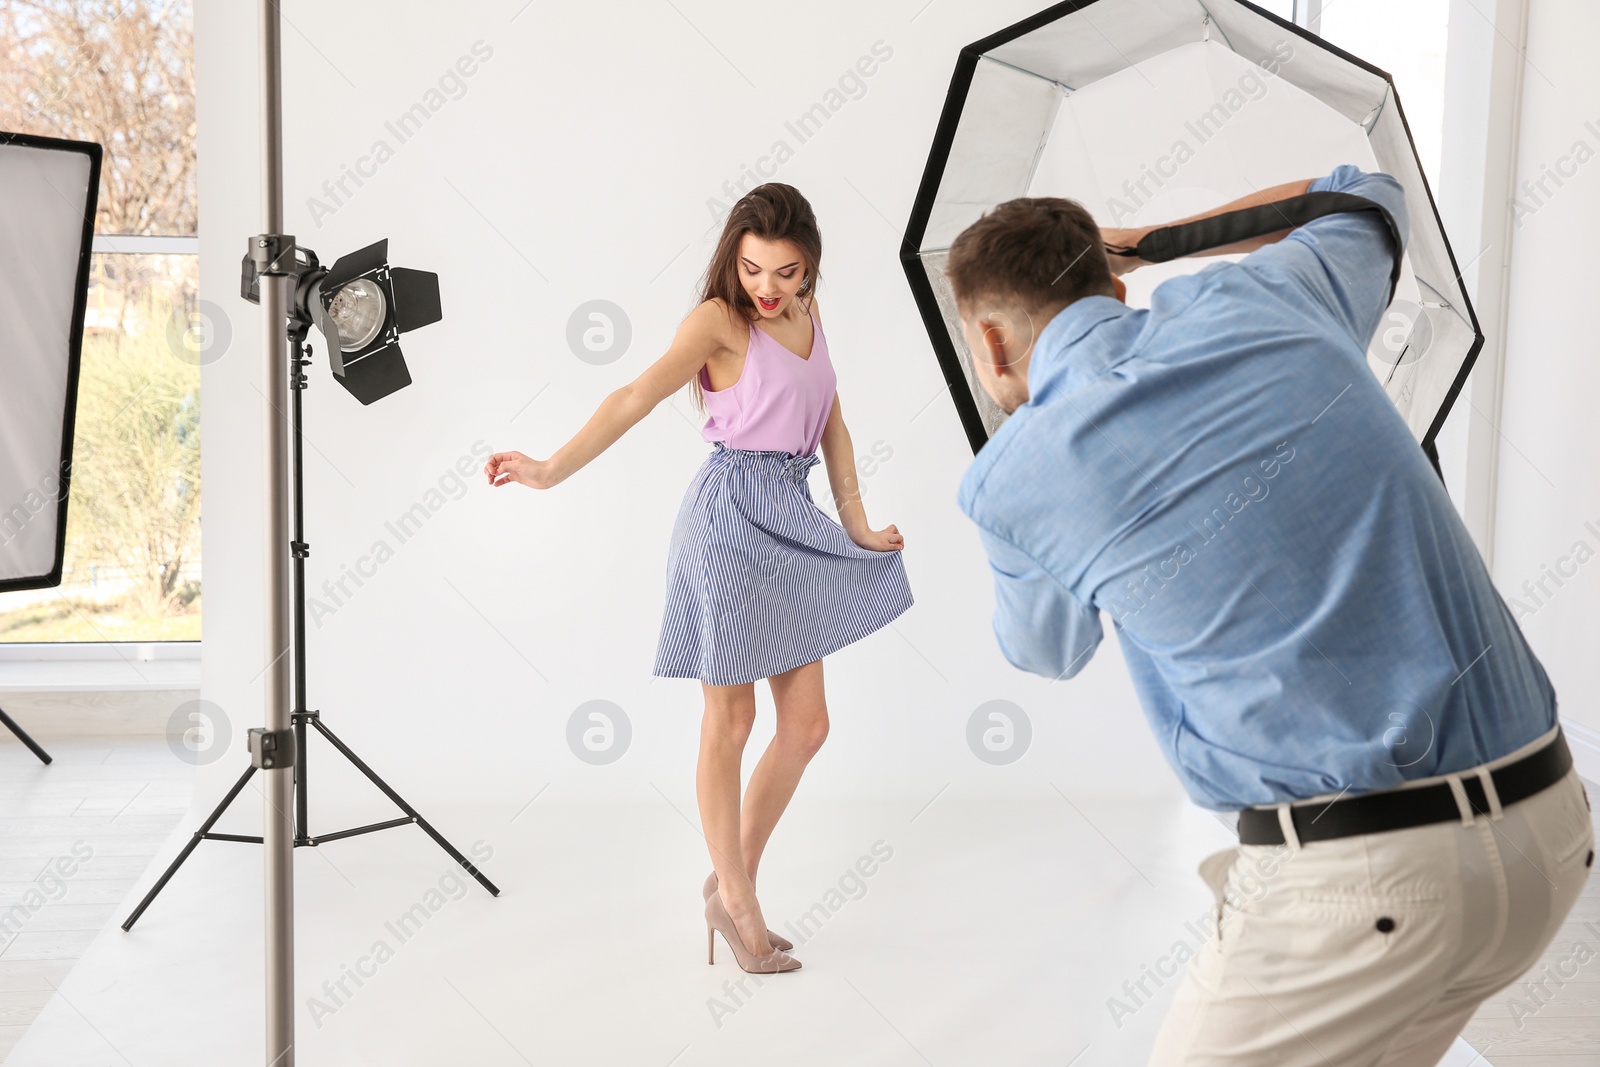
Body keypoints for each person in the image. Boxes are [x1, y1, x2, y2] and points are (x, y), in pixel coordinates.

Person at [945, 164, 1594, 1066]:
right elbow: (1365, 197)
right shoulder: (1273, 291)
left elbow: (1045, 649)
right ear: (1116, 280)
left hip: (1366, 886)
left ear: (987, 339)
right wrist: (1155, 239)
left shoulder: (1014, 474)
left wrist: (1019, 494)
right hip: (1550, 833)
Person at [484, 183, 913, 976]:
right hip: (728, 521)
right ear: (733, 258)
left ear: (810, 266)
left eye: (785, 271)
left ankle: (726, 883)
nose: (767, 287)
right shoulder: (719, 320)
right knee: (732, 716)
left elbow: (835, 429)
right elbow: (635, 395)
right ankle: (741, 898)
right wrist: (547, 469)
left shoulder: (809, 321)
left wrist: (856, 523)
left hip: (791, 513)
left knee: (808, 726)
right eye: (753, 268)